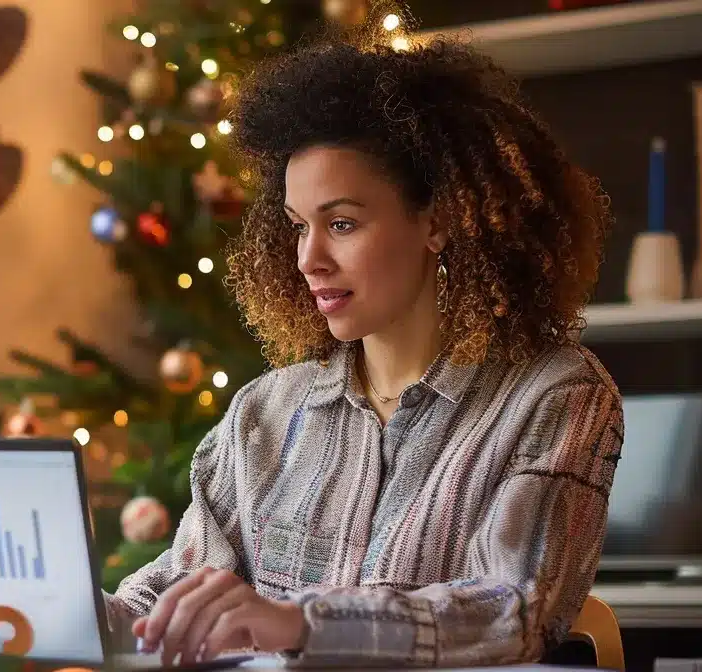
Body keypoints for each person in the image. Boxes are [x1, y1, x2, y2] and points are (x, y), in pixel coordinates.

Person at [103, 37, 623, 667]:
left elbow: (515, 610)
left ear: (438, 220)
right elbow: (165, 596)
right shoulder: (264, 411)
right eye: (298, 226)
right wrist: (49, 606)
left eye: (341, 223)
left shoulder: (556, 394)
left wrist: (301, 625)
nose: (308, 260)